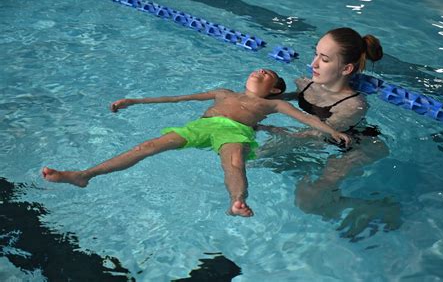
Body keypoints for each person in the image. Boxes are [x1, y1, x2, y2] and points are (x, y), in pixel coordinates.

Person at [42, 69, 351, 218]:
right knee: (145, 147)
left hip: (235, 133)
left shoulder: (273, 105)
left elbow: (303, 117)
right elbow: (178, 97)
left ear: (275, 90)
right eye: (259, 69)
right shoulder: (224, 93)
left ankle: (237, 201)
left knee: (234, 163)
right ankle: (84, 175)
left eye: (268, 74)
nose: (260, 71)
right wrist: (135, 101)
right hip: (201, 127)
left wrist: (331, 132)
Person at [258, 28, 399, 238]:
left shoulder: (353, 106)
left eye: (323, 59)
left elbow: (315, 134)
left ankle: (377, 207)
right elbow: (291, 101)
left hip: (358, 146)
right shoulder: (308, 83)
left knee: (309, 200)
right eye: (315, 54)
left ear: (346, 68)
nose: (313, 64)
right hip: (324, 137)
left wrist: (267, 130)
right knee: (269, 159)